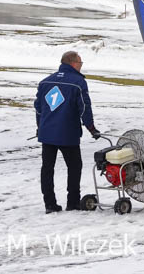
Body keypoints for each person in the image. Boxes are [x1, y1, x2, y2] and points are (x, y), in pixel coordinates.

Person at [34, 50, 101, 213]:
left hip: (47, 133)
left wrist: (40, 127)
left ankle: (49, 204)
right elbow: (84, 107)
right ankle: (73, 202)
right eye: (80, 62)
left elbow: (39, 108)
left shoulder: (45, 82)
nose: (81, 65)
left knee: (47, 169)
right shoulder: (78, 83)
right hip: (67, 133)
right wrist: (91, 128)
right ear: (73, 63)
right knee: (74, 166)